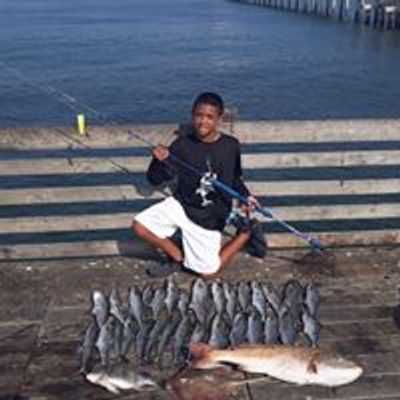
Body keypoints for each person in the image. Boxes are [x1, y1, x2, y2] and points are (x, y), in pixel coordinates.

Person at [132, 92, 264, 278]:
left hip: (209, 217)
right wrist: (157, 161)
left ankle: (246, 234)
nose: (203, 122)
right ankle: (178, 258)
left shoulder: (231, 146)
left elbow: (235, 178)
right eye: (199, 116)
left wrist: (246, 196)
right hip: (181, 205)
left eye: (210, 117)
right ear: (192, 115)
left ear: (219, 119)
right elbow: (155, 180)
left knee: (208, 274)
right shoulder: (181, 145)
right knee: (140, 226)